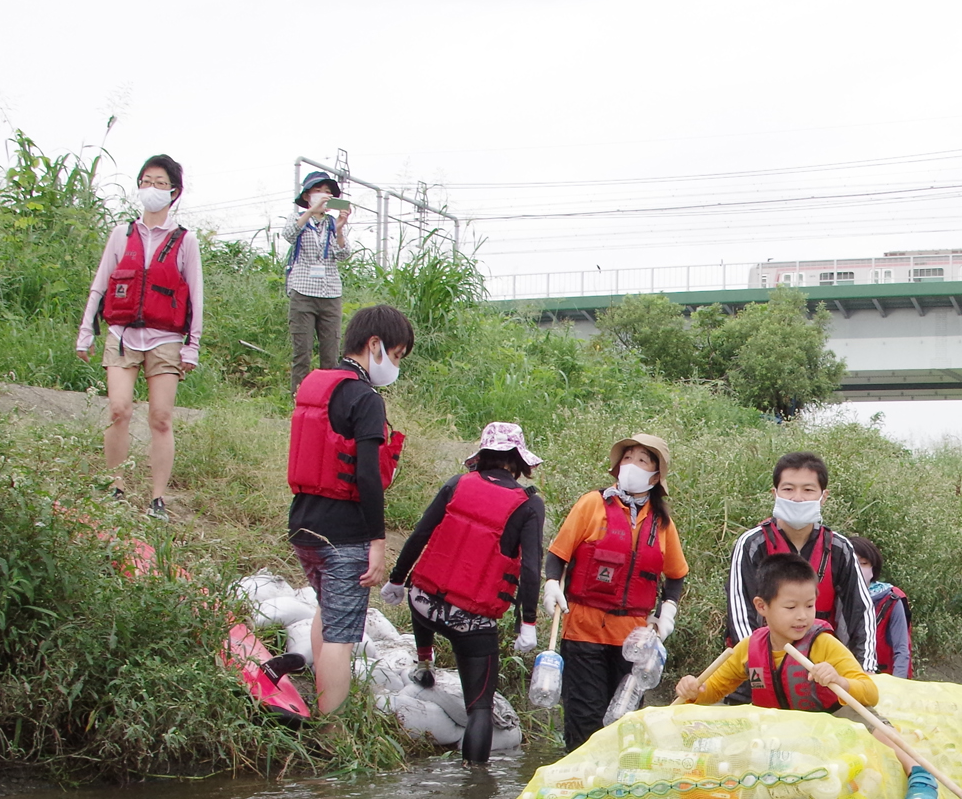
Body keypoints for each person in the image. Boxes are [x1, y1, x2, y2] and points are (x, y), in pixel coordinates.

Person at [675, 552, 939, 799]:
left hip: (830, 722)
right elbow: (712, 691)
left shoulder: (823, 644)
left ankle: (918, 772)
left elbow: (870, 692)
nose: (802, 616)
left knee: (870, 720)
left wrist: (839, 682)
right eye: (791, 607)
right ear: (762, 606)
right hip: (780, 733)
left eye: (809, 605)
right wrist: (694, 690)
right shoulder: (749, 648)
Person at [389, 422, 548, 764]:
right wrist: (528, 623)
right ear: (518, 461)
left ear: (483, 454)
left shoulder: (456, 483)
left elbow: (419, 535)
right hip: (470, 621)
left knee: (425, 602)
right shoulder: (528, 505)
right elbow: (531, 569)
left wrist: (396, 580)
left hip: (423, 603)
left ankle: (424, 659)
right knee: (480, 708)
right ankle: (474, 787)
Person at [285, 304, 413, 718]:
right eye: (395, 355)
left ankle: (322, 710)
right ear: (374, 345)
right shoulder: (365, 398)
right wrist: (378, 541)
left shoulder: (317, 385)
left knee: (328, 612)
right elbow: (368, 477)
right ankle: (331, 730)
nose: (394, 366)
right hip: (344, 536)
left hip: (304, 526)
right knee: (342, 634)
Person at [541, 433, 689, 750]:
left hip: (632, 641)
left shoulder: (662, 523)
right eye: (627, 457)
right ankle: (579, 788)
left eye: (642, 460)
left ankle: (616, 793)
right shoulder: (592, 504)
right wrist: (552, 583)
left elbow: (676, 576)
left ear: (655, 475)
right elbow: (557, 555)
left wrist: (668, 613)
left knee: (624, 726)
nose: (631, 465)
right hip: (583, 630)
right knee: (585, 720)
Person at [76, 153, 202, 518]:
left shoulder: (185, 240)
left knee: (161, 417)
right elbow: (100, 285)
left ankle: (157, 499)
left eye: (160, 183)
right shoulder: (122, 234)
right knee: (119, 409)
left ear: (174, 191)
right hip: (122, 333)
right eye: (146, 181)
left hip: (165, 339)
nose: (152, 189)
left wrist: (192, 346)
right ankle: (114, 486)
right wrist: (86, 332)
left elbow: (196, 296)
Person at [724, 452, 875, 667]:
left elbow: (861, 612)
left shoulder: (840, 548)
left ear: (823, 496)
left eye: (808, 490)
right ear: (774, 493)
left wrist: (865, 669)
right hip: (758, 671)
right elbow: (740, 613)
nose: (797, 498)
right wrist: (759, 665)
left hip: (822, 672)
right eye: (788, 489)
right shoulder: (751, 544)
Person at [283, 170, 351, 400]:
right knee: (301, 352)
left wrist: (340, 230)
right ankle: (299, 400)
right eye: (318, 191)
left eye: (327, 193)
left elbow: (342, 255)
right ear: (307, 195)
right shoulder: (298, 219)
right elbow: (289, 235)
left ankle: (328, 403)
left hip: (330, 292)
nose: (323, 196)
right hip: (303, 291)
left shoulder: (334, 224)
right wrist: (310, 212)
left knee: (330, 354)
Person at [849, 536, 912, 679]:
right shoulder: (838, 597)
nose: (859, 568)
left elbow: (901, 651)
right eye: (854, 563)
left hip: (881, 681)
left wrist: (896, 688)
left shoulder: (891, 600)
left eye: (864, 563)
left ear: (873, 567)